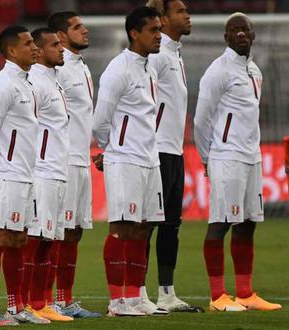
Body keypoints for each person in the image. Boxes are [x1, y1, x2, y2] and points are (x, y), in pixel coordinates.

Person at [194, 12, 282, 312]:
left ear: (253, 35)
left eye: (245, 29)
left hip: (252, 157)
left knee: (247, 224)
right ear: (226, 37)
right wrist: (208, 157)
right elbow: (201, 119)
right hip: (226, 156)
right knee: (220, 223)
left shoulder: (255, 70)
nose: (241, 34)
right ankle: (218, 297)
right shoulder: (217, 71)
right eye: (235, 30)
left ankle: (245, 293)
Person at [92, 6, 168, 317]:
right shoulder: (118, 69)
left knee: (144, 228)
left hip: (150, 159)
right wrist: (115, 150)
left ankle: (136, 296)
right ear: (135, 33)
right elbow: (100, 122)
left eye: (160, 29)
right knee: (122, 227)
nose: (159, 35)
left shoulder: (149, 68)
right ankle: (116, 301)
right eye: (153, 30)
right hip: (126, 160)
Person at [0, 25, 49, 326]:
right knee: (0, 236)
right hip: (4, 174)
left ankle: (17, 306)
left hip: (25, 173)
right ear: (10, 51)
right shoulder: (3, 84)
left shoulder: (27, 83)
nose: (34, 47)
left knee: (20, 239)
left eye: (34, 42)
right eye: (28, 43)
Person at [144, 0, 201, 312]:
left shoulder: (174, 54)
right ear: (163, 18)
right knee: (148, 225)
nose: (187, 15)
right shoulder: (156, 56)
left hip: (174, 151)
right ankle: (136, 294)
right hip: (155, 150)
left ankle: (166, 293)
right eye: (180, 11)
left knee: (171, 225)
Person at [46, 11, 100, 318]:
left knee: (74, 232)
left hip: (80, 159)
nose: (86, 30)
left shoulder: (79, 65)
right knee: (57, 232)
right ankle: (47, 299)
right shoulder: (59, 67)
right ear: (61, 35)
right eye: (78, 27)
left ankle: (65, 299)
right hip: (62, 161)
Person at [23, 27, 72, 322]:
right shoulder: (35, 84)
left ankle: (41, 302)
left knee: (50, 240)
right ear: (39, 51)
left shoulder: (55, 82)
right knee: (36, 239)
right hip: (40, 171)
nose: (62, 49)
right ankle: (29, 302)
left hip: (57, 170)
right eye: (55, 45)